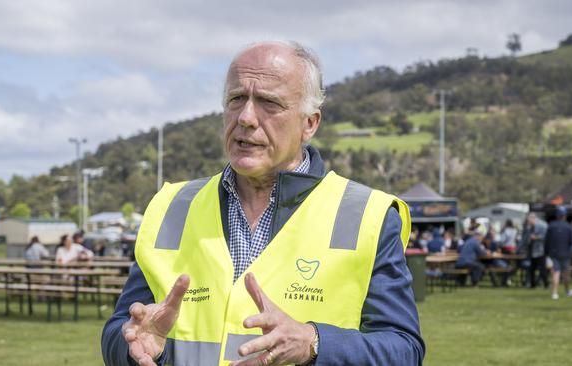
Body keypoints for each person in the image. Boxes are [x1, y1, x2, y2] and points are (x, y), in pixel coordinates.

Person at [102, 41, 424, 366]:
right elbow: (120, 331)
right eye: (236, 99)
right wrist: (137, 346)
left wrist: (314, 343)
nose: (246, 117)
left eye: (269, 103)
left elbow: (403, 349)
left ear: (309, 123)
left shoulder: (366, 216)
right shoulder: (172, 207)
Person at [545, 206, 572, 300]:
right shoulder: (569, 227)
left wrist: (546, 253)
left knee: (556, 272)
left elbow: (547, 241)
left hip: (554, 253)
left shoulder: (551, 226)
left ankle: (555, 293)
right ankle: (567, 291)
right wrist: (571, 253)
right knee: (566, 273)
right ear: (565, 215)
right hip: (566, 253)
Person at [522, 212, 548, 289]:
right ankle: (532, 284)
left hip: (541, 251)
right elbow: (526, 238)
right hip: (533, 251)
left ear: (533, 218)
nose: (528, 222)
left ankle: (546, 284)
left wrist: (536, 237)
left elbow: (546, 237)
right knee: (532, 268)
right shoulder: (530, 227)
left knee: (542, 268)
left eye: (529, 220)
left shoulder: (542, 225)